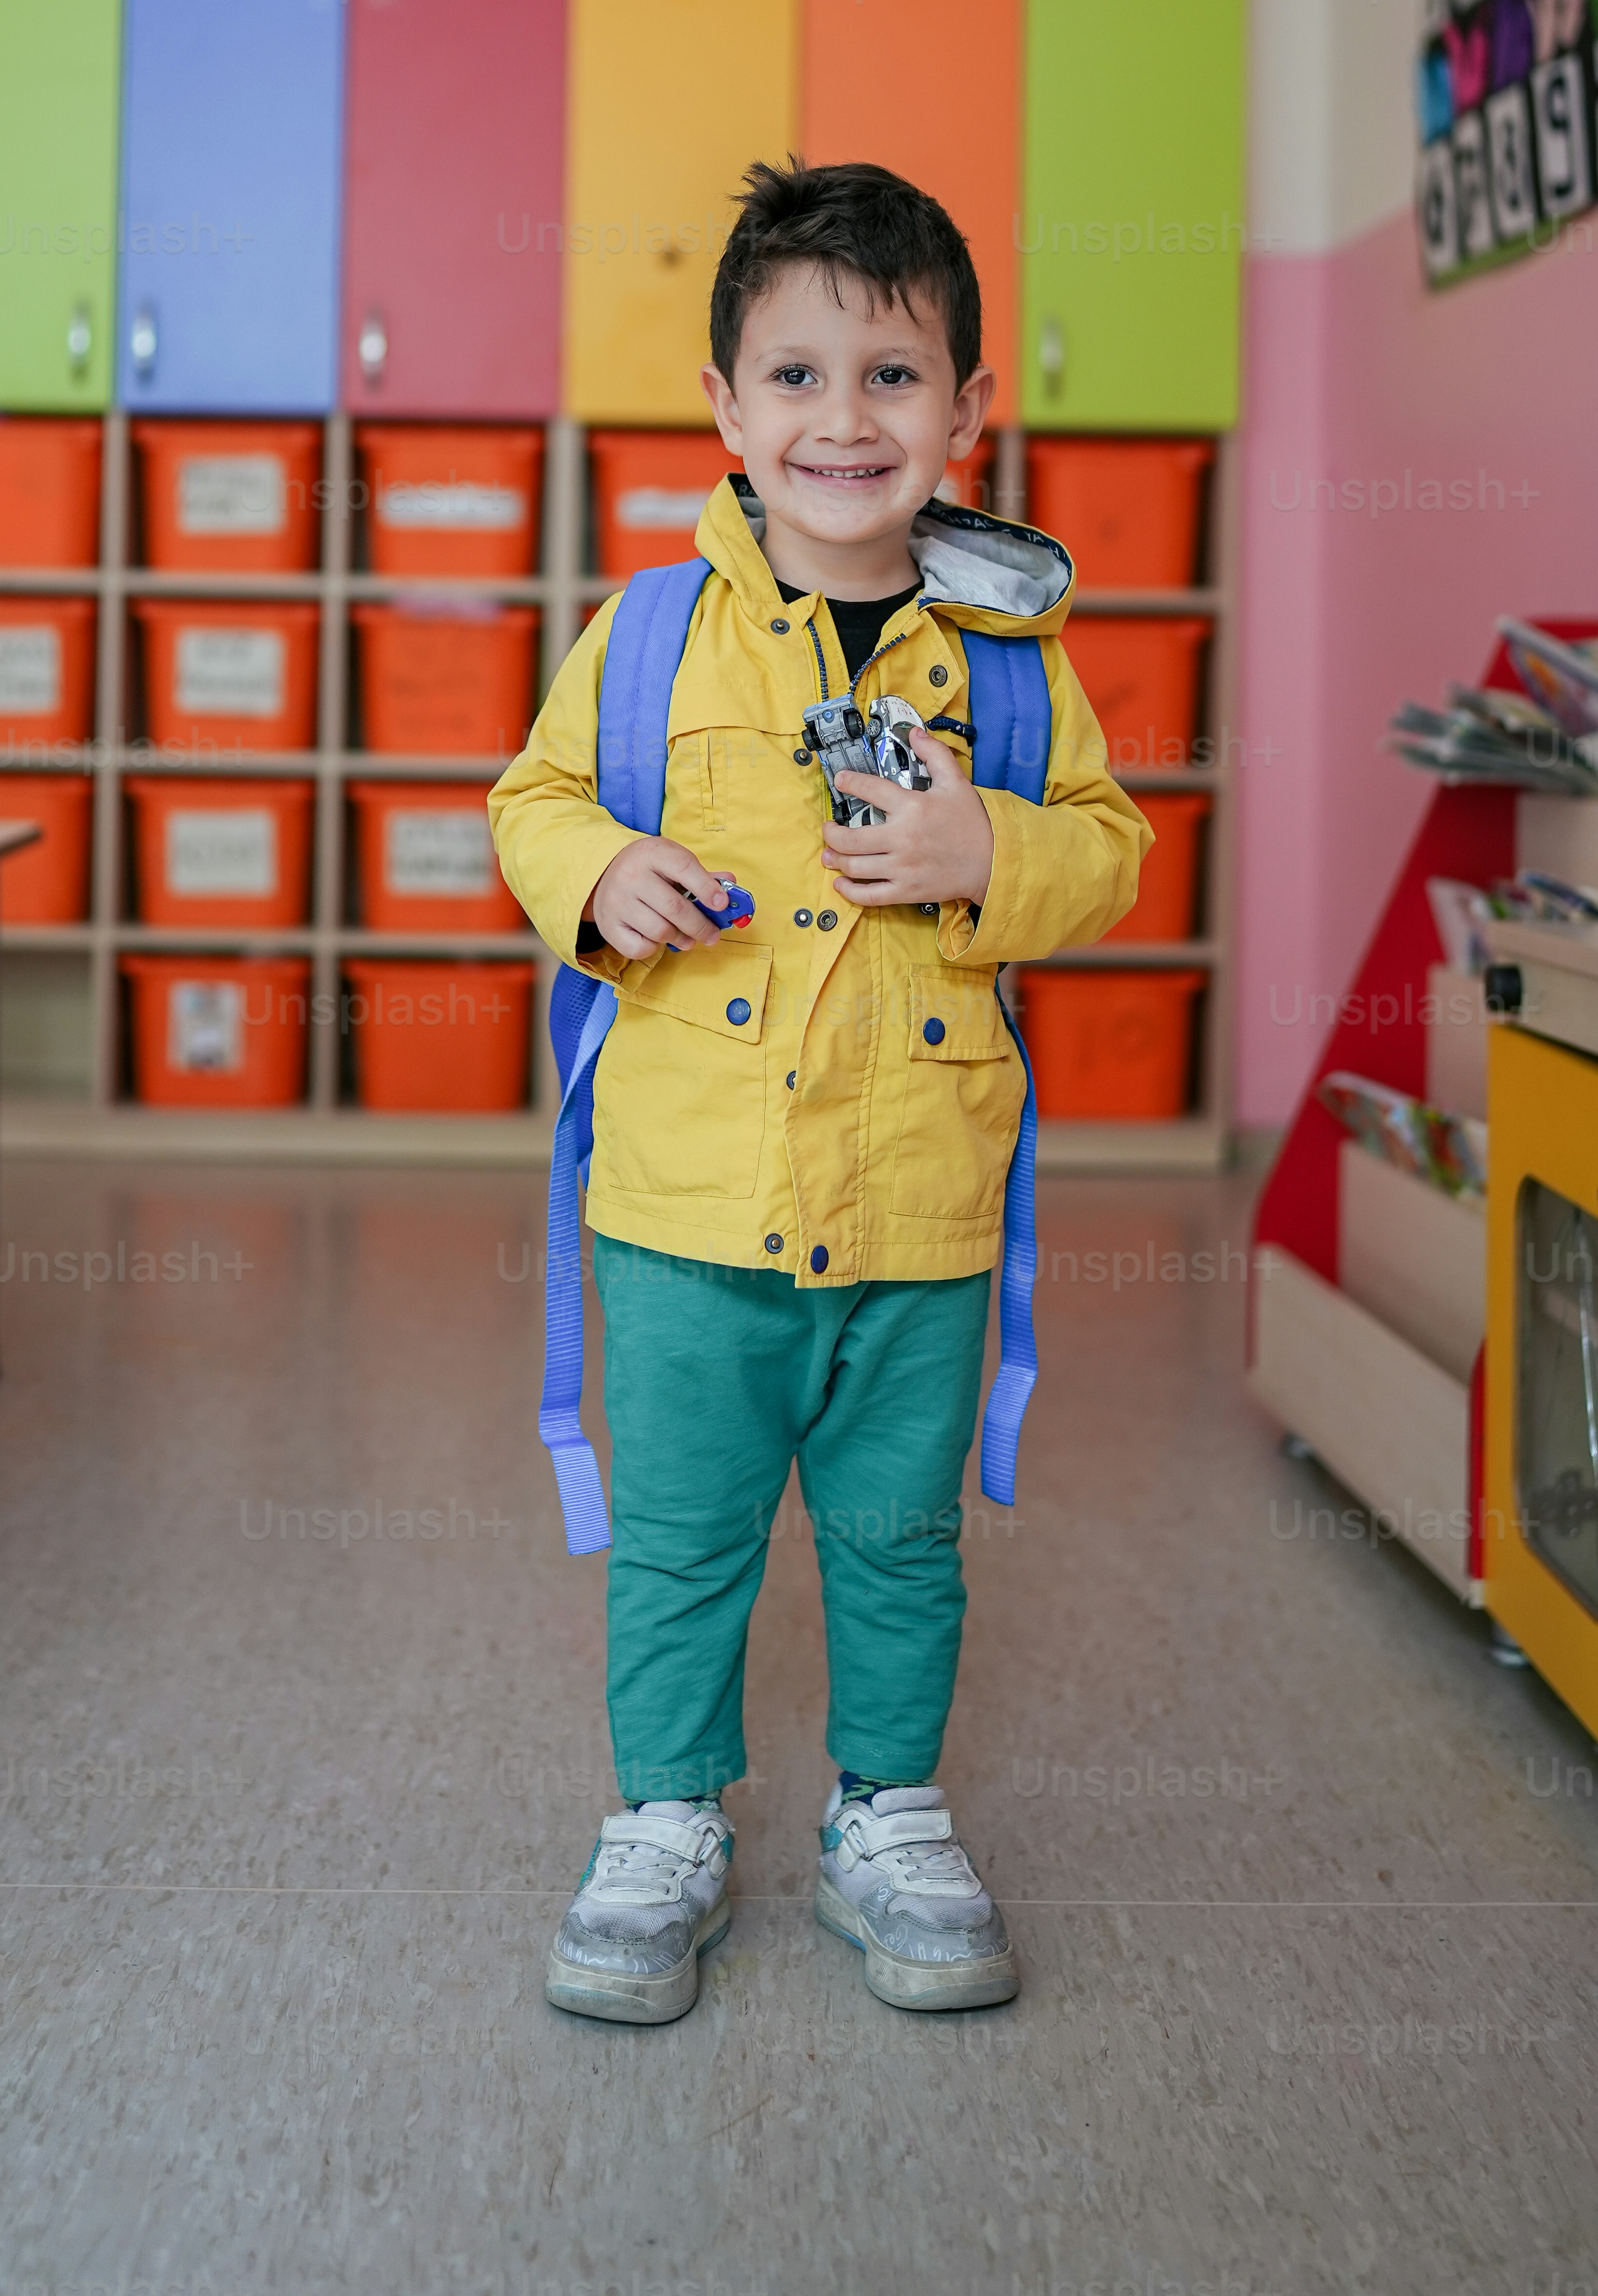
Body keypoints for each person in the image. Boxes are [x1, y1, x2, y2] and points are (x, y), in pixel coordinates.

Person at [489, 159, 1152, 2023]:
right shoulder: (641, 639)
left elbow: (1108, 854)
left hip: (918, 1206)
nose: (841, 422)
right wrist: (596, 879)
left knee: (897, 1534)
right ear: (724, 411)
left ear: (966, 409)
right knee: (685, 1539)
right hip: (685, 1209)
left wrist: (985, 846)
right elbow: (533, 802)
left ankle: (889, 1809)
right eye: (794, 378)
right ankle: (664, 1819)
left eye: (890, 378)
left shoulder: (1013, 667)